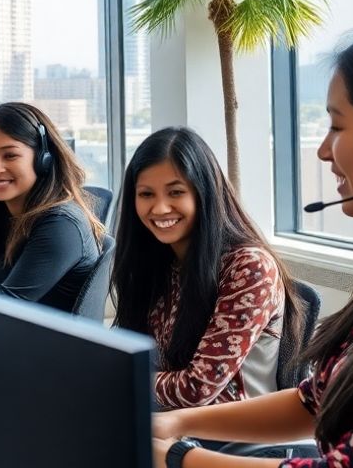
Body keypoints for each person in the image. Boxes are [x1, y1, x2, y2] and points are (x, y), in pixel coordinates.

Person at [152, 21, 353, 467]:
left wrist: (179, 457)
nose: (324, 151)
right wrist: (176, 424)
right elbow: (316, 398)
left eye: (337, 125)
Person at [113, 126, 304, 410]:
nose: (160, 208)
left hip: (230, 434)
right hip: (171, 420)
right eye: (146, 194)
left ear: (204, 193)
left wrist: (116, 377)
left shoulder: (249, 268)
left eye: (176, 192)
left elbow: (197, 388)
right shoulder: (159, 260)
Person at [0, 102, 106, 313]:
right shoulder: (3, 214)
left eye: (10, 155)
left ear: (43, 158)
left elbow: (5, 307)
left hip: (36, 343)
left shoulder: (60, 224)